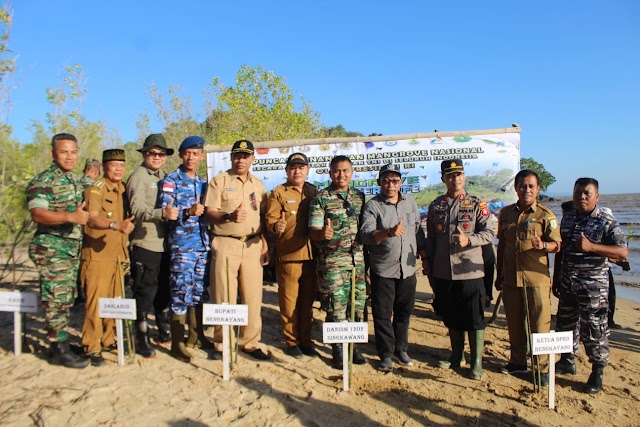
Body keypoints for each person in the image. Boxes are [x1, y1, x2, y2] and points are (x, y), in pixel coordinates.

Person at [553, 178, 628, 394]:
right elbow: (562, 251)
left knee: (594, 329)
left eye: (587, 193)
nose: (582, 197)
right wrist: (557, 277)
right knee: (565, 324)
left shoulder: (606, 221)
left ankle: (597, 371)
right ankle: (567, 360)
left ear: (597, 196)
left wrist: (593, 247)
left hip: (593, 287)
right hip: (568, 283)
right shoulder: (567, 219)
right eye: (578, 193)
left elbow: (622, 252)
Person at [27, 133, 92, 369]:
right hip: (52, 248)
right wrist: (69, 217)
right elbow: (38, 213)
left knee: (66, 298)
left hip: (70, 250)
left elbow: (88, 186)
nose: (69, 156)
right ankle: (57, 349)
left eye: (73, 152)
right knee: (55, 300)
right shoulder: (43, 181)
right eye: (64, 152)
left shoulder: (73, 179)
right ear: (53, 153)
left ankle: (62, 341)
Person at [426, 159, 494, 380]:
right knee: (451, 315)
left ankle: (476, 362)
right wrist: (430, 267)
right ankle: (457, 355)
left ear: (464, 176)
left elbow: (488, 234)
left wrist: (469, 240)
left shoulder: (477, 204)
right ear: (443, 178)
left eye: (459, 174)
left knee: (474, 318)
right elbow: (432, 240)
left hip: (470, 271)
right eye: (450, 175)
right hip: (445, 272)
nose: (455, 179)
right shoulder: (436, 205)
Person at [204, 139, 271, 361]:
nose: (241, 159)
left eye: (245, 156)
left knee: (253, 296)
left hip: (253, 245)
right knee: (224, 296)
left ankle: (250, 342)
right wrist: (228, 216)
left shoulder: (258, 185)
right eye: (237, 155)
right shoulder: (219, 181)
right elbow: (208, 213)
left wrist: (265, 244)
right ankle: (222, 343)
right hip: (225, 243)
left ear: (252, 158)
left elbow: (261, 216)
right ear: (231, 157)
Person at [494, 169, 561, 386]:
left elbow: (557, 245)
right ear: (516, 188)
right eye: (523, 186)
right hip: (512, 279)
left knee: (540, 325)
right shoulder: (505, 214)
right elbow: (502, 245)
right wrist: (500, 275)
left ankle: (542, 369)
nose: (527, 190)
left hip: (537, 280)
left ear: (538, 189)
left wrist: (544, 245)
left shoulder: (545, 215)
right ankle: (517, 363)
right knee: (513, 323)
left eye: (531, 186)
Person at [360, 163, 427, 372]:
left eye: (395, 180)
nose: (391, 184)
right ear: (379, 182)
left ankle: (401, 349)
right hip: (383, 270)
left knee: (403, 313)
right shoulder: (373, 206)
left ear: (401, 182)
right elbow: (366, 235)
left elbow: (417, 231)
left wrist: (424, 256)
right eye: (386, 180)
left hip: (407, 269)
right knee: (382, 315)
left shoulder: (410, 203)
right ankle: (386, 354)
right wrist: (388, 232)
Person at [308, 155, 367, 369]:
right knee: (336, 308)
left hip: (357, 263)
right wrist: (322, 233)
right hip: (332, 264)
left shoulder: (359, 197)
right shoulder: (321, 198)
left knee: (357, 306)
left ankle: (354, 348)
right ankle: (338, 351)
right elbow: (312, 232)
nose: (341, 175)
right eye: (336, 171)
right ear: (330, 173)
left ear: (352, 172)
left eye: (345, 170)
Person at [80, 149, 135, 366]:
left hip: (117, 256)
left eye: (122, 165)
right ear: (104, 167)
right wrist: (115, 225)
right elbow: (91, 219)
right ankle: (92, 346)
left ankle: (109, 339)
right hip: (97, 256)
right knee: (96, 303)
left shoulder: (122, 190)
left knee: (115, 301)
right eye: (114, 165)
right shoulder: (96, 189)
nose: (119, 169)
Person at [159, 136, 212, 362]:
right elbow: (165, 211)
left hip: (201, 246)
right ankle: (177, 342)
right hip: (182, 248)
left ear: (201, 156)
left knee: (199, 292)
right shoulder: (171, 180)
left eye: (196, 153)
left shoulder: (203, 182)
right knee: (180, 293)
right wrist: (186, 212)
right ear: (181, 154)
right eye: (187, 153)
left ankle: (196, 335)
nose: (191, 157)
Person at [266, 152, 319, 359]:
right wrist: (275, 226)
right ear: (287, 170)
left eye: (301, 167)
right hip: (288, 256)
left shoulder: (314, 192)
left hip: (312, 256)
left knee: (307, 303)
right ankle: (291, 341)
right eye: (293, 167)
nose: (297, 171)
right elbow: (269, 220)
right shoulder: (278, 193)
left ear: (307, 170)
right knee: (289, 303)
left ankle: (306, 341)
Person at [126, 133, 174, 358]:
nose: (157, 157)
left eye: (161, 153)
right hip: (145, 243)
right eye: (152, 153)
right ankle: (141, 337)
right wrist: (161, 213)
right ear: (145, 154)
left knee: (163, 291)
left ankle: (163, 332)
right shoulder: (138, 177)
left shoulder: (164, 176)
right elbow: (136, 210)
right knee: (145, 292)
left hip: (164, 244)